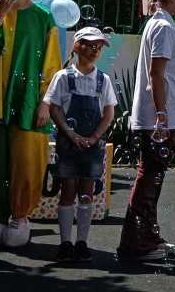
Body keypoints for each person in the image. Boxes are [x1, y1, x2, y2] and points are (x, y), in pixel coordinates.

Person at [117, 0, 175, 261]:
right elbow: (156, 73)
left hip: (160, 116)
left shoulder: (161, 23)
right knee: (149, 178)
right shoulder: (162, 26)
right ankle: (134, 244)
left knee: (153, 178)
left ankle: (147, 236)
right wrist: (161, 114)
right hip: (156, 118)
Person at [0, 0, 61, 247]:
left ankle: (19, 215)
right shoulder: (1, 14)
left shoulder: (42, 18)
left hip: (27, 101)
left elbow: (53, 67)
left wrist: (46, 102)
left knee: (26, 161)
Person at [44, 27, 117, 261]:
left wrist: (94, 137)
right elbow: (54, 107)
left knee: (87, 192)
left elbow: (108, 113)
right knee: (68, 190)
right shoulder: (63, 77)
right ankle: (65, 242)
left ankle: (82, 242)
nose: (95, 49)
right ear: (77, 46)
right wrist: (70, 133)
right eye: (89, 44)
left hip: (92, 144)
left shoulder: (102, 79)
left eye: (99, 46)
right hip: (68, 142)